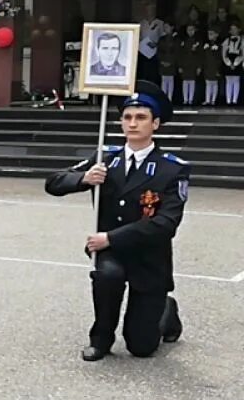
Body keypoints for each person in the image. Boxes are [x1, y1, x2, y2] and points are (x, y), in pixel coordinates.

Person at [44, 81, 187, 362]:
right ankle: (101, 338)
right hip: (112, 253)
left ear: (155, 124)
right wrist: (83, 178)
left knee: (141, 347)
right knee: (106, 276)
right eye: (127, 117)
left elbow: (165, 224)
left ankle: (166, 311)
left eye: (141, 117)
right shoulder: (105, 157)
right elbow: (53, 183)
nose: (133, 123)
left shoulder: (172, 169)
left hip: (148, 256)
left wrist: (109, 237)